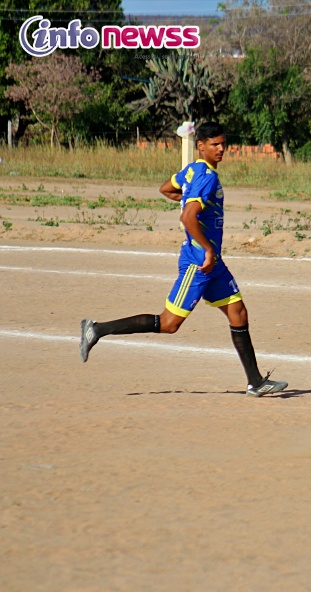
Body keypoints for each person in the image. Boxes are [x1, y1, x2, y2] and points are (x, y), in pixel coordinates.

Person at [79, 122, 288, 397]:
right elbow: (187, 217)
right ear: (200, 146)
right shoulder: (207, 177)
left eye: (223, 143)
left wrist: (187, 199)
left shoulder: (193, 170)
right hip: (199, 262)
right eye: (215, 144)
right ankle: (96, 329)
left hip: (214, 263)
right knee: (169, 324)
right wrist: (208, 248)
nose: (221, 149)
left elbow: (166, 188)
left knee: (238, 312)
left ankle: (255, 382)